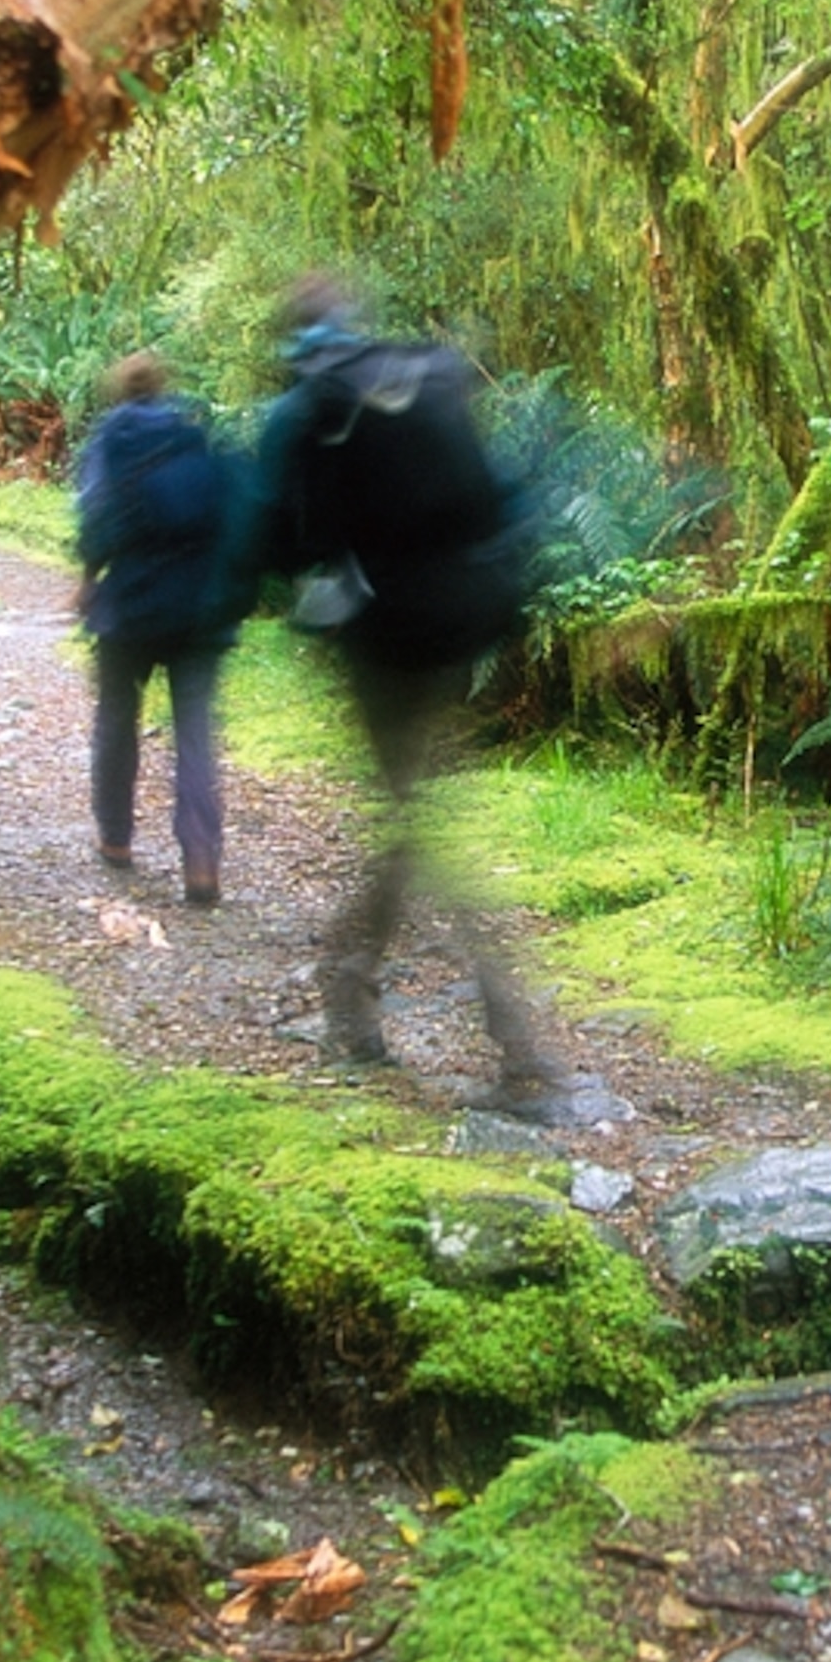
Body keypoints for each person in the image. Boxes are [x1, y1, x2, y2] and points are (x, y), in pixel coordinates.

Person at [257, 277, 606, 1122]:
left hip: (380, 640)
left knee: (420, 824)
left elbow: (272, 535)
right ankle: (360, 990)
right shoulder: (426, 377)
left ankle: (513, 1042)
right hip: (460, 623)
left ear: (295, 341)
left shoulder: (307, 408)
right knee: (415, 813)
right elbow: (499, 495)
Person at [76, 353, 241, 908]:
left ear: (120, 391)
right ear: (163, 387)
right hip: (196, 606)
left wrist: (87, 577)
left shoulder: (109, 440)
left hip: (129, 605)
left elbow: (97, 515)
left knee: (117, 719)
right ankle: (201, 863)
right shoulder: (193, 437)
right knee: (194, 733)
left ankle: (116, 837)